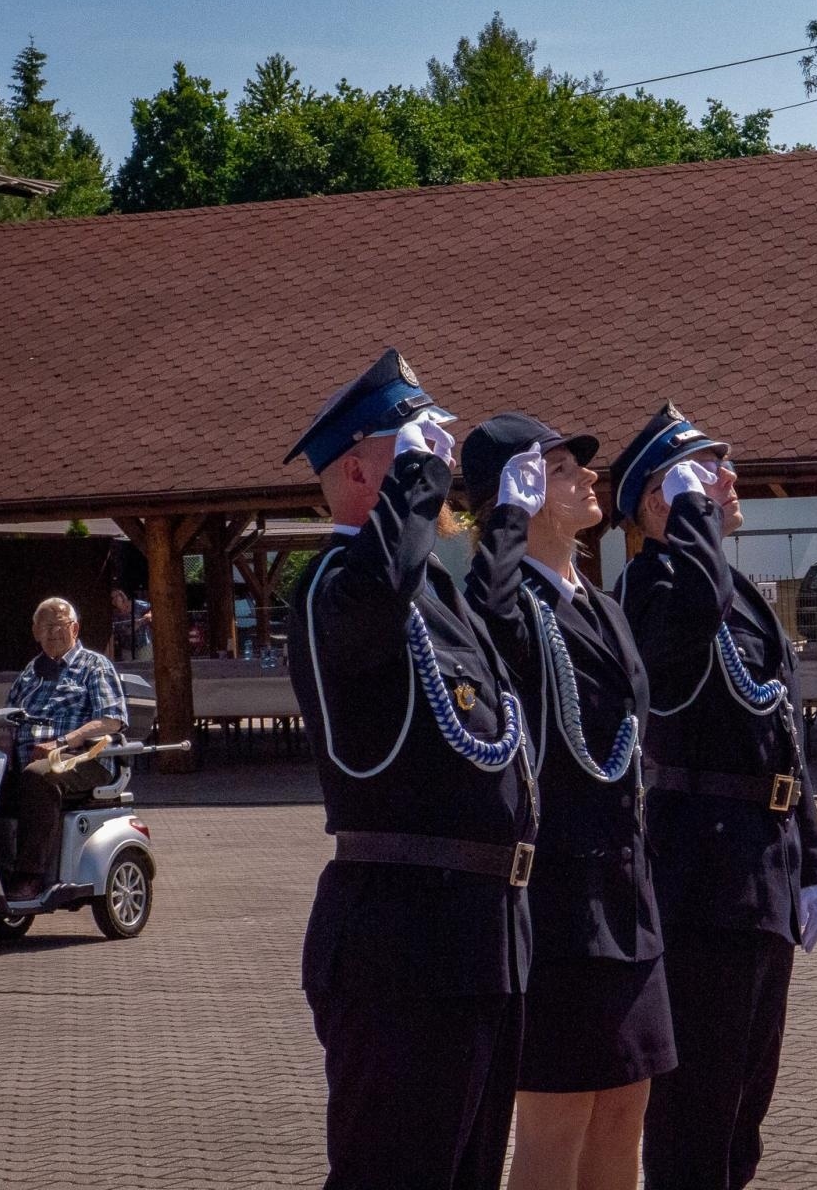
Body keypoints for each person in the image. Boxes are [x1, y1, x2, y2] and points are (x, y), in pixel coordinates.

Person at [283, 348, 535, 1190]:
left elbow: (507, 647)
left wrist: (501, 521)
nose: (441, 454)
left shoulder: (437, 592)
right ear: (358, 469)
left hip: (481, 934)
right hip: (403, 938)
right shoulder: (334, 585)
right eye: (415, 441)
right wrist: (420, 479)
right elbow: (376, 587)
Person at [610, 403, 817, 1190]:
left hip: (762, 865)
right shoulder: (651, 587)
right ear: (657, 500)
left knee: (746, 1101)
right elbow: (683, 629)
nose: (730, 482)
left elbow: (784, 735)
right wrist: (688, 516)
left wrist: (812, 862)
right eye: (706, 472)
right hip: (701, 874)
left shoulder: (733, 589)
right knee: (695, 1112)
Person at [461, 413, 676, 1190]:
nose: (588, 477)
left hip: (625, 896)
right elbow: (483, 615)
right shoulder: (513, 606)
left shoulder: (600, 603)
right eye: (558, 470)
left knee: (625, 1116)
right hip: (558, 903)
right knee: (556, 1132)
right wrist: (506, 526)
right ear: (512, 495)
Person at [3, 597, 127, 901]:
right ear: (35, 632)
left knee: (37, 775)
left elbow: (111, 721)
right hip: (29, 760)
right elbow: (7, 719)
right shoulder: (30, 673)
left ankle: (29, 876)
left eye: (60, 625)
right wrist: (1, 749)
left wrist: (62, 742)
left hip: (86, 757)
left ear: (75, 628)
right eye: (46, 626)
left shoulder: (94, 665)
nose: (54, 632)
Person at [108, 587, 153, 662]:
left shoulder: (137, 604)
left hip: (143, 644)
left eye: (117, 596)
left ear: (122, 595)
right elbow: (121, 630)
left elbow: (152, 609)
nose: (115, 600)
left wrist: (147, 616)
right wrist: (135, 625)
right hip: (127, 647)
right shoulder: (114, 614)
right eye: (112, 598)